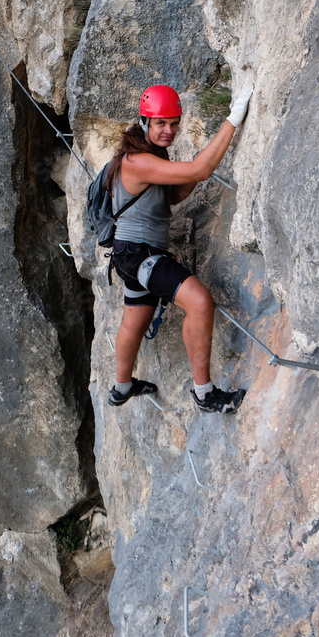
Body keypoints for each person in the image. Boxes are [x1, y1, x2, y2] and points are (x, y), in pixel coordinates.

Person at [106, 78, 254, 413]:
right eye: (161, 124)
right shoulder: (137, 160)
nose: (169, 131)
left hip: (129, 255)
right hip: (139, 255)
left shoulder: (145, 155)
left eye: (174, 124)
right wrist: (234, 117)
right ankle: (205, 394)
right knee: (200, 302)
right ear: (145, 121)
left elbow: (168, 196)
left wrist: (188, 174)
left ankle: (121, 387)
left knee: (134, 321)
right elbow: (200, 170)